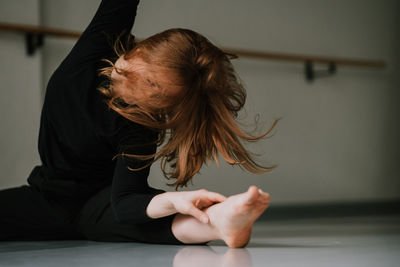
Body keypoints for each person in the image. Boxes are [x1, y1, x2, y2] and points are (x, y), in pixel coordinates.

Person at [0, 0, 280, 248]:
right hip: (44, 198)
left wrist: (173, 200)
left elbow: (125, 202)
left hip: (99, 206)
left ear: (154, 104)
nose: (119, 70)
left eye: (142, 84)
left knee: (148, 218)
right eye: (133, 60)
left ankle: (218, 221)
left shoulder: (139, 125)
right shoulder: (98, 48)